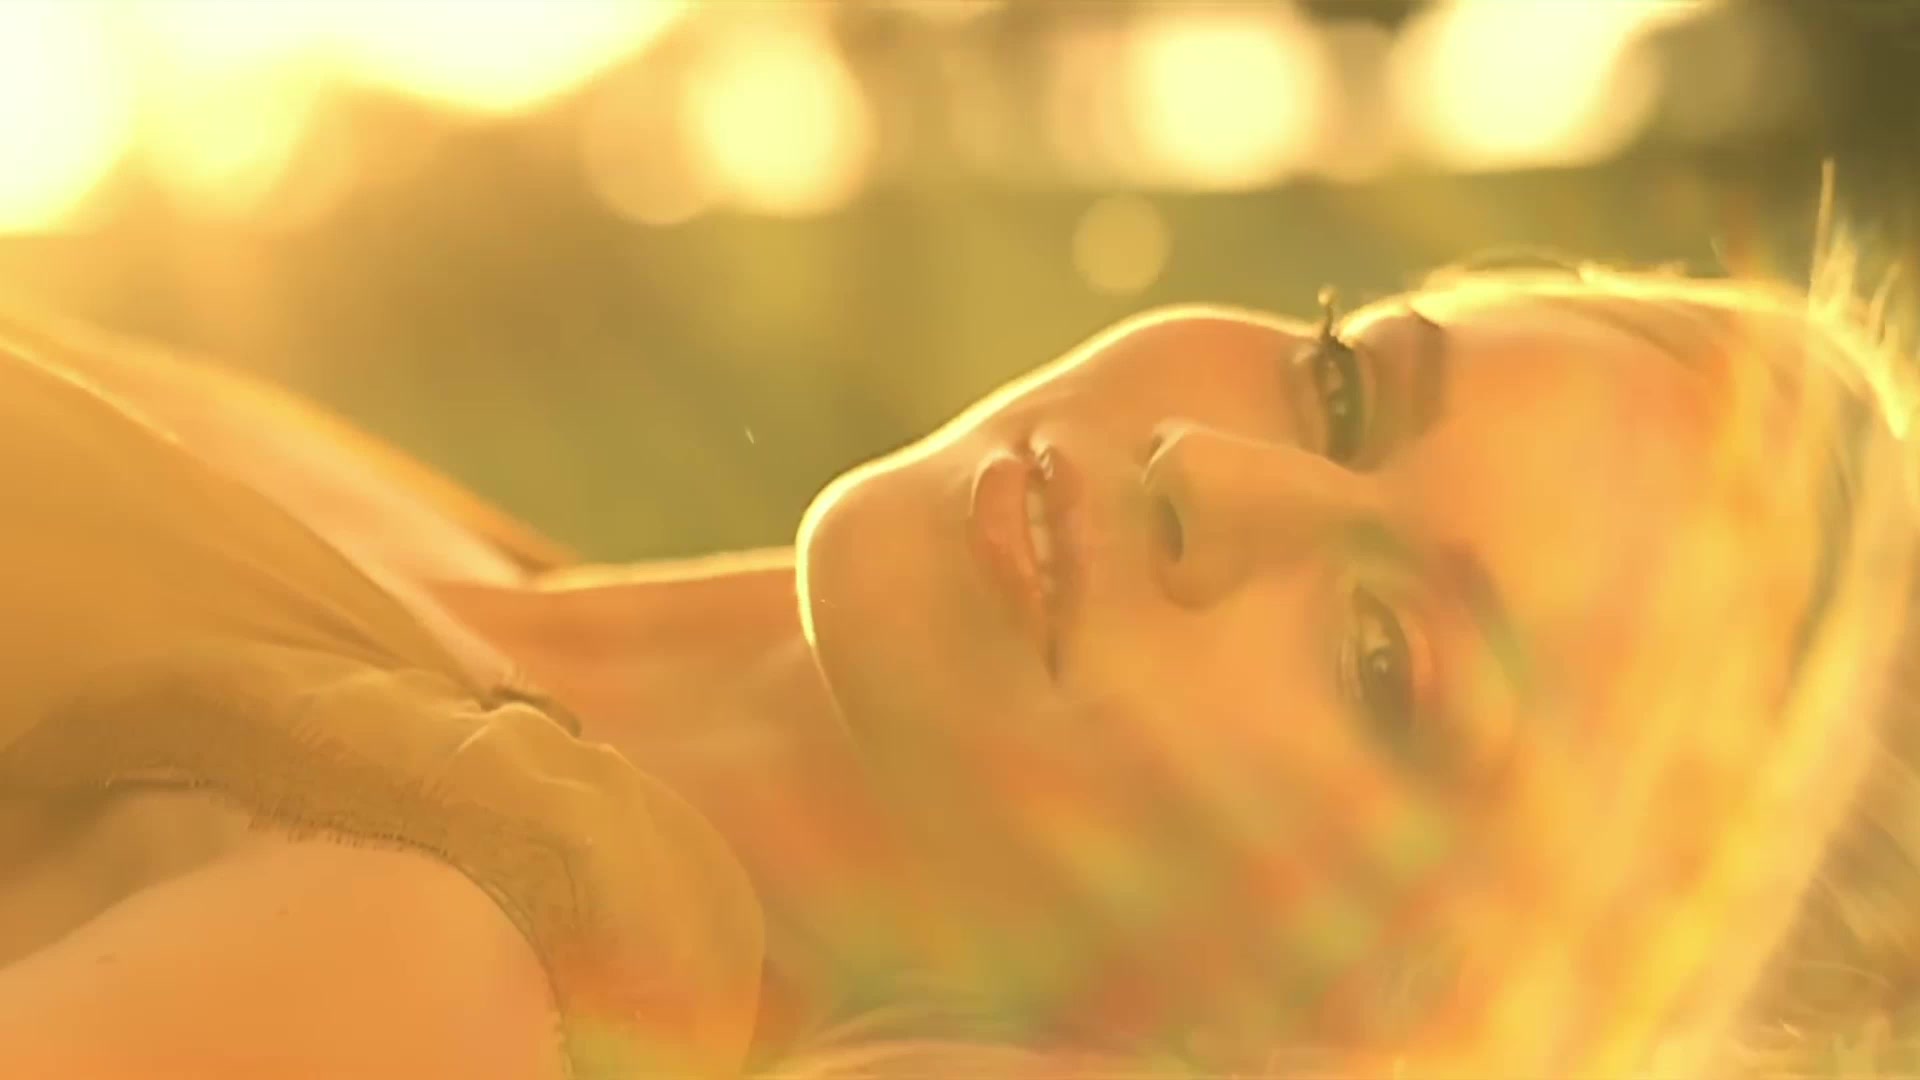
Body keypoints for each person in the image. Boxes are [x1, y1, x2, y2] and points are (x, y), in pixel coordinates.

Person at [0, 215, 1914, 1079]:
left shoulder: (460, 963)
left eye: (1385, 662)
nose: (1209, 474)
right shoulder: (438, 565)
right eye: (1345, 391)